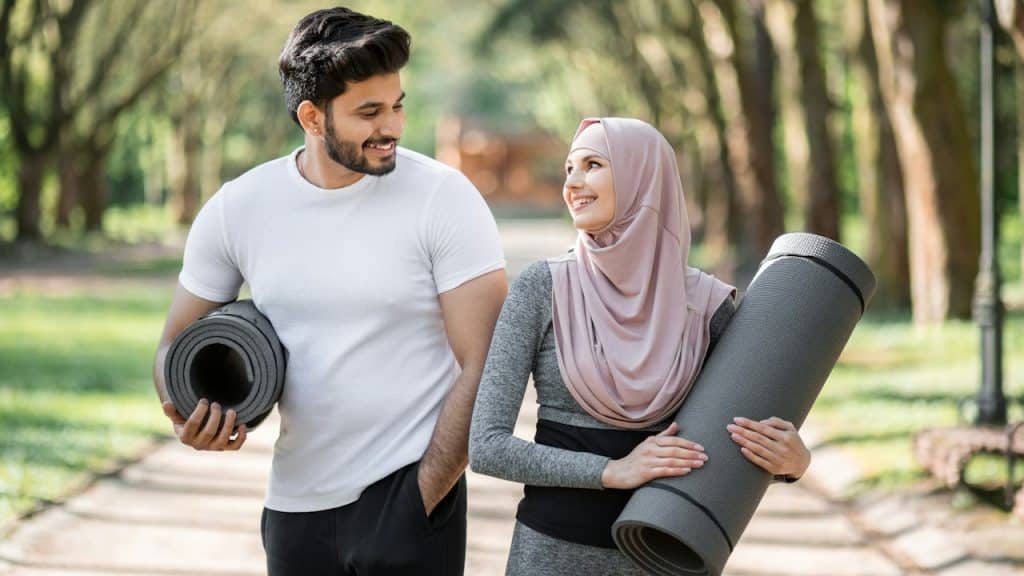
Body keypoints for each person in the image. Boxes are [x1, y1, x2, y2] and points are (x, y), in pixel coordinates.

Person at [152, 7, 507, 576]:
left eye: (397, 105)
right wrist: (185, 417)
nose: (390, 126)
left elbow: (488, 364)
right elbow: (174, 344)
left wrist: (421, 497)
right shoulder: (238, 208)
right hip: (295, 507)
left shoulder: (445, 199)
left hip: (412, 497)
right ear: (312, 118)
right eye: (368, 112)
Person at [468, 118, 811, 575]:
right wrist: (611, 471)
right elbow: (487, 447)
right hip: (551, 557)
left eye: (592, 165)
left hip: (665, 556)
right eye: (570, 168)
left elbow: (740, 433)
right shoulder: (542, 289)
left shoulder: (708, 306)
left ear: (642, 178)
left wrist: (792, 461)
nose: (573, 182)